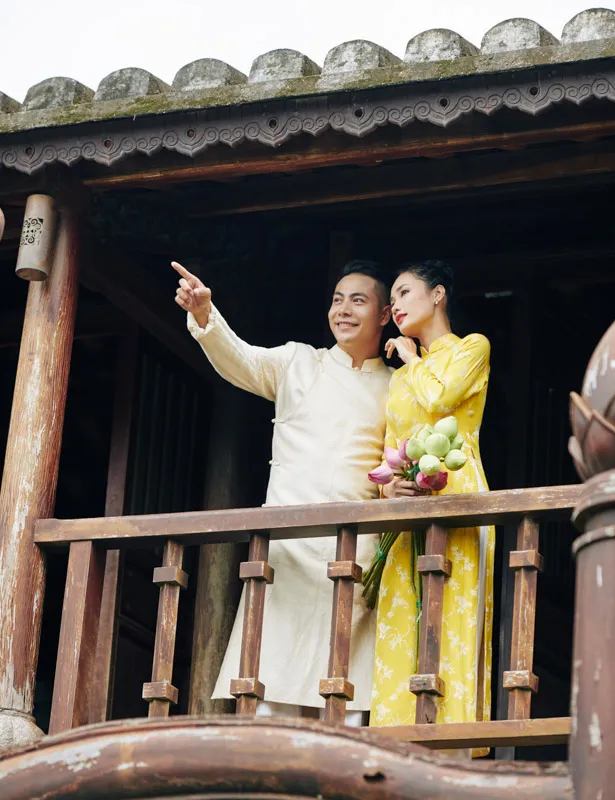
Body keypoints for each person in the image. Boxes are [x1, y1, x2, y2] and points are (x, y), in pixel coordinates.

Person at [172, 258, 392, 724]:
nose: (343, 310)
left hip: (355, 550)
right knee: (271, 693)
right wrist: (205, 316)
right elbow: (243, 359)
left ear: (386, 314)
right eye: (337, 300)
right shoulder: (298, 361)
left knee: (345, 697)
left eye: (358, 300)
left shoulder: (397, 386)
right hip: (288, 549)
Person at [370, 260, 494, 749]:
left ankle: (454, 748)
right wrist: (389, 489)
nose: (394, 304)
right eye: (393, 298)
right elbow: (390, 449)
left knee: (454, 624)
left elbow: (441, 398)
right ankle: (398, 746)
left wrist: (409, 356)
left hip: (459, 497)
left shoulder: (472, 347)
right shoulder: (400, 379)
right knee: (404, 623)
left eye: (403, 292)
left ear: (437, 294)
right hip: (409, 509)